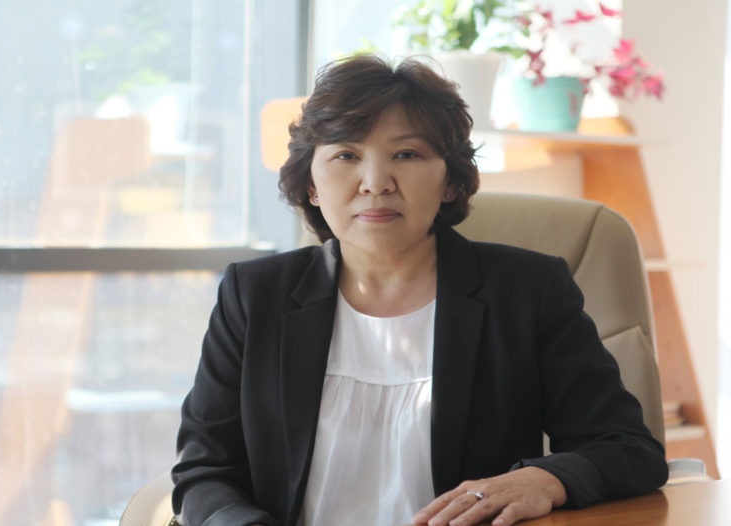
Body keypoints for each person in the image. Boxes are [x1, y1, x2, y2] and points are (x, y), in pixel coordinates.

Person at [171, 54, 668, 526]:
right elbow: (205, 469)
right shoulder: (253, 295)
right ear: (312, 186)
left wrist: (545, 479)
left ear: (450, 180)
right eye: (346, 155)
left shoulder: (526, 292)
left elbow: (627, 449)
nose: (375, 182)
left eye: (406, 154)